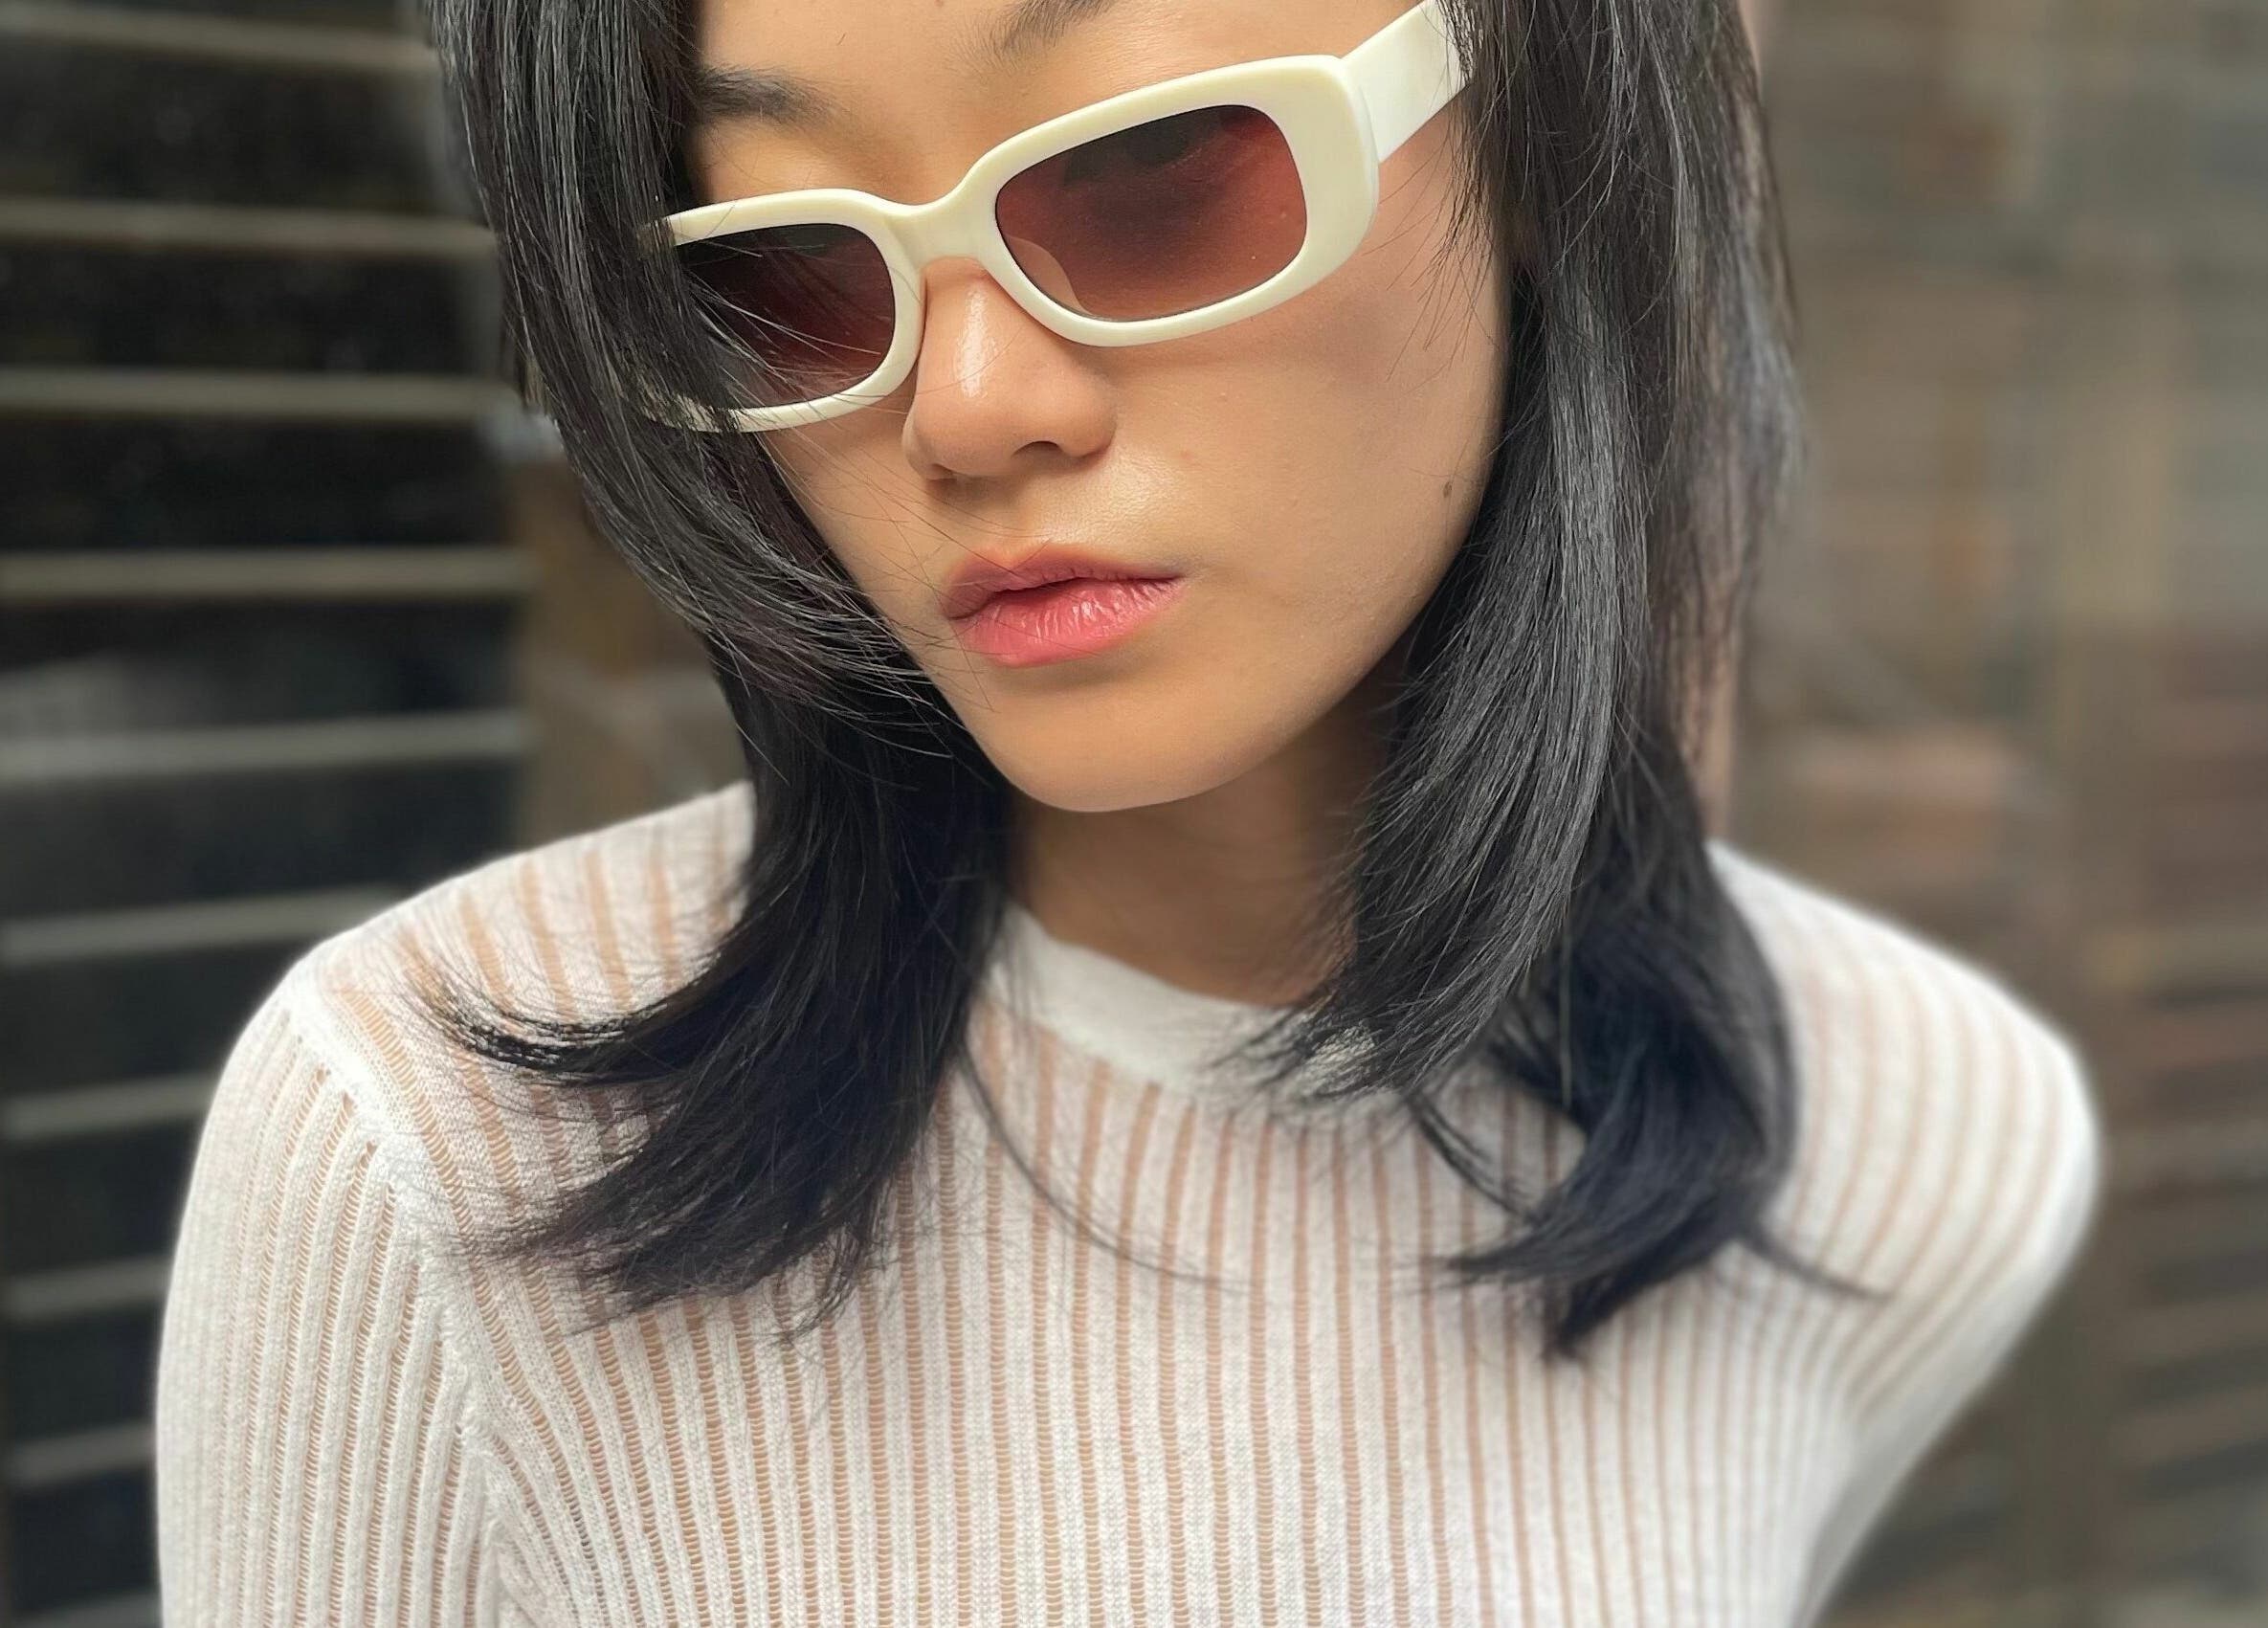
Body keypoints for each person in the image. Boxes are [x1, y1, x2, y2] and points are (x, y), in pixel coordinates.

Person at [152, 1, 2103, 1622]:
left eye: (1152, 174)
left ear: (1544, 133)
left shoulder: (1908, 1143)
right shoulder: (430, 1148)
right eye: (782, 274)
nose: (967, 405)